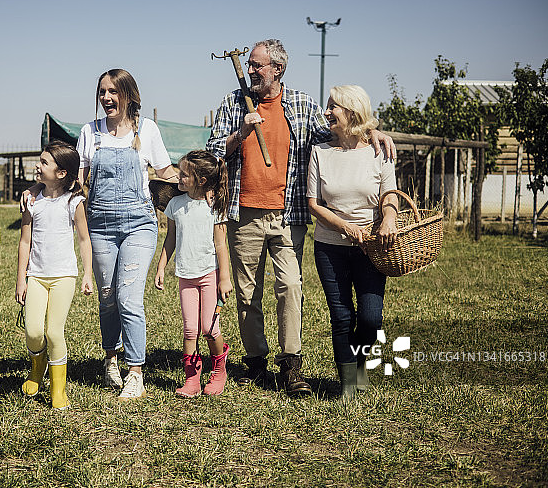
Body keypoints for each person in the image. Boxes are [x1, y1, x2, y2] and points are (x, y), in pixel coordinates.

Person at [206, 39, 394, 395]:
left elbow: (339, 135)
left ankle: (291, 365)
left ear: (277, 69)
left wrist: (371, 131)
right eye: (248, 65)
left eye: (257, 65)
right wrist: (241, 133)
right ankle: (257, 363)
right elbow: (213, 151)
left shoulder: (302, 105)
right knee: (248, 293)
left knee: (290, 287)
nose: (250, 71)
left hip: (287, 212)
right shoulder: (233, 103)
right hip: (244, 212)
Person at [77, 69, 177, 400]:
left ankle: (136, 372)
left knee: (128, 298)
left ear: (128, 95)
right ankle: (110, 360)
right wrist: (38, 189)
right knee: (107, 298)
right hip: (101, 227)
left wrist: (199, 182)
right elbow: (78, 180)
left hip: (139, 225)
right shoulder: (90, 133)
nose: (106, 97)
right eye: (102, 91)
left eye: (112, 92)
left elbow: (165, 172)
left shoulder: (146, 130)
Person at [307, 85, 398, 400]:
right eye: (328, 106)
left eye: (334, 106)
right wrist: (344, 226)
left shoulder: (379, 150)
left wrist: (388, 219)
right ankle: (349, 385)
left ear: (352, 112)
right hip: (330, 247)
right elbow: (314, 204)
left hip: (371, 248)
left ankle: (358, 367)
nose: (327, 111)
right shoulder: (320, 152)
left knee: (371, 319)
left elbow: (389, 196)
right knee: (342, 315)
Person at [15, 140, 93, 410]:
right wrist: (21, 279)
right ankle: (37, 369)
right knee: (34, 331)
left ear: (61, 173)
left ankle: (58, 389)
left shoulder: (74, 201)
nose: (38, 165)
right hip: (36, 275)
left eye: (44, 162)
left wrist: (87, 275)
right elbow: (24, 242)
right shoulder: (31, 201)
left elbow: (84, 239)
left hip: (64, 277)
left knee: (54, 332)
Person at [154, 150, 233, 398]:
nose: (179, 176)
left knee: (209, 328)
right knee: (190, 329)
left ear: (200, 180)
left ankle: (219, 370)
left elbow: (221, 244)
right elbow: (171, 238)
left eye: (184, 174)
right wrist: (161, 266)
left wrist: (224, 278)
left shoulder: (215, 206)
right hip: (185, 275)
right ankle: (192, 380)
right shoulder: (175, 205)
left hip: (209, 274)